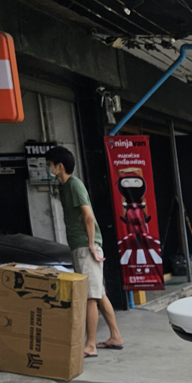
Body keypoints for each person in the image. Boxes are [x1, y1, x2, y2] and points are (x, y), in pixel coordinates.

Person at [45, 145, 124, 356]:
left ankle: (90, 345)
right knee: (99, 293)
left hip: (85, 246)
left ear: (59, 166)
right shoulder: (65, 186)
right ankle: (115, 336)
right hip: (81, 245)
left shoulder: (74, 185)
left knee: (90, 296)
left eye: (49, 165)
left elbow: (88, 216)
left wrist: (90, 245)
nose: (47, 168)